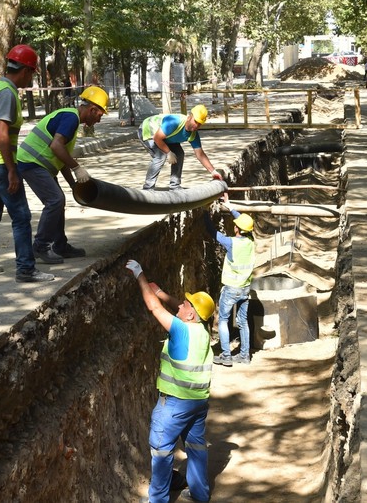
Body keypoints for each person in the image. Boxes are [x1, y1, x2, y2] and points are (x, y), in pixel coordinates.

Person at [125, 259, 214, 503]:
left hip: (174, 406)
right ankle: (199, 493)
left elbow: (154, 308)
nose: (181, 304)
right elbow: (176, 306)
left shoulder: (181, 330)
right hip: (198, 403)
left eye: (186, 303)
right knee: (195, 447)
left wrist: (139, 275)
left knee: (161, 451)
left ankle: (157, 500)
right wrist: (162, 293)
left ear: (191, 313)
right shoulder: (202, 329)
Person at [0, 44, 54, 283]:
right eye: (32, 74)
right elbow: (3, 134)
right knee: (21, 216)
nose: (31, 79)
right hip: (0, 164)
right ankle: (26, 268)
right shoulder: (7, 93)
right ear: (25, 70)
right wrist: (11, 171)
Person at [17, 85, 106, 264]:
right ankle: (41, 246)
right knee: (55, 200)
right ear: (92, 109)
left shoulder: (71, 120)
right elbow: (56, 147)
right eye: (99, 115)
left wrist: (73, 184)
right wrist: (77, 168)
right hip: (32, 162)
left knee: (58, 201)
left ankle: (60, 245)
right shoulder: (70, 118)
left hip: (39, 164)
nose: (99, 120)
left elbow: (61, 157)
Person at [204, 197, 256, 366]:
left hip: (231, 289)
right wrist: (230, 206)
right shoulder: (251, 241)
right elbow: (244, 223)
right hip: (245, 288)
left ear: (236, 229)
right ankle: (244, 355)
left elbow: (213, 233)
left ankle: (226, 356)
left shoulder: (231, 243)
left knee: (224, 320)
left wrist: (204, 214)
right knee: (243, 322)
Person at [138, 105, 223, 190]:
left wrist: (213, 171)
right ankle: (147, 188)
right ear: (190, 117)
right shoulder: (174, 122)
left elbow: (200, 154)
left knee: (179, 154)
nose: (197, 126)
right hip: (148, 131)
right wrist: (168, 152)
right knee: (160, 156)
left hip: (165, 138)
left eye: (200, 124)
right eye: (196, 121)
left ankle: (175, 186)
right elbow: (157, 138)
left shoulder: (193, 134)